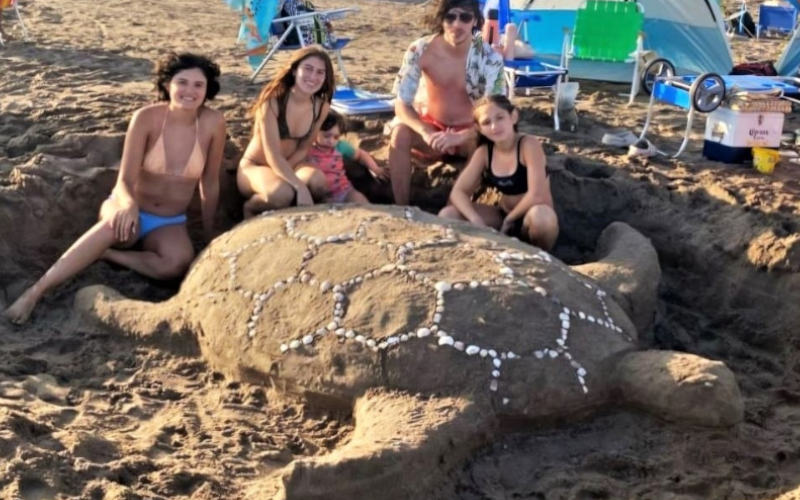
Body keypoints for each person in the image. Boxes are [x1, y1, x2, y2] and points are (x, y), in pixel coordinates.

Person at [3, 53, 227, 324]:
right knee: (114, 224)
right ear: (168, 85)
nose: (189, 91)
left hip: (169, 221)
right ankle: (35, 292)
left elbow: (210, 181)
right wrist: (128, 205)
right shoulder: (147, 118)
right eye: (182, 82)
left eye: (198, 85)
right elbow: (125, 180)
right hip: (128, 205)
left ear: (207, 90)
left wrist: (208, 231)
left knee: (176, 264)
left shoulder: (214, 123)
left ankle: (108, 254)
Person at [388, 0, 506, 206]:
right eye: (450, 17)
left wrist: (461, 136)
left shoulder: (490, 58)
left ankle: (454, 209)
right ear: (441, 20)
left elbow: (498, 112)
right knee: (399, 134)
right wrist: (425, 131)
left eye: (465, 17)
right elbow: (402, 103)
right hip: (432, 128)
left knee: (484, 145)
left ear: (476, 21)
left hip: (471, 132)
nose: (457, 24)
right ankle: (402, 207)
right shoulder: (420, 49)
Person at [439, 95, 558, 250]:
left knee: (542, 218)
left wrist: (510, 219)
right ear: (479, 129)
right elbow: (458, 192)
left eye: (500, 118)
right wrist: (476, 220)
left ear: (513, 116)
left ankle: (545, 260)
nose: (494, 126)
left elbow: (537, 195)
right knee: (448, 214)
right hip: (502, 216)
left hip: (532, 218)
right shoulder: (484, 152)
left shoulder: (528, 145)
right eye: (486, 122)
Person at [237, 46, 334, 217]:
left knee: (318, 183)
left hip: (291, 164)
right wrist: (298, 185)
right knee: (283, 194)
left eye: (320, 72)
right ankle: (250, 207)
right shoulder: (273, 102)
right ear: (295, 70)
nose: (313, 77)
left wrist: (288, 175)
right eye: (308, 69)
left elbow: (304, 148)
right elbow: (272, 155)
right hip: (257, 166)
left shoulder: (321, 106)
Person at [306, 110, 387, 204]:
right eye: (326, 136)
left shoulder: (340, 146)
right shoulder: (307, 149)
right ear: (315, 132)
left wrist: (375, 168)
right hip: (321, 195)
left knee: (362, 201)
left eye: (336, 137)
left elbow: (361, 154)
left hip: (344, 190)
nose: (331, 141)